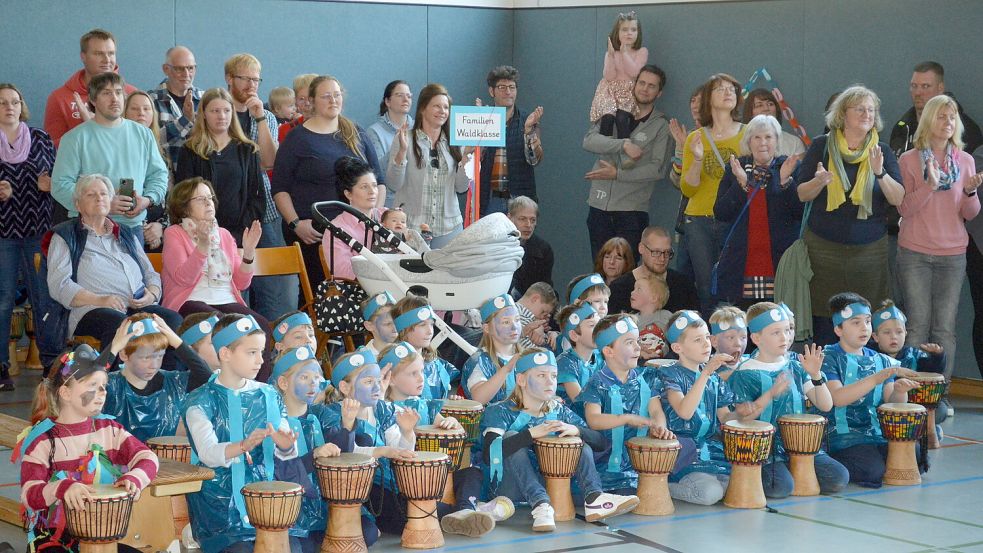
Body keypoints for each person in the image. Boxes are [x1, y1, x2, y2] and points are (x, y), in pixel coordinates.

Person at [17, 344, 159, 553]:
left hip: (102, 537)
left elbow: (147, 457)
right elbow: (29, 495)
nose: (102, 393)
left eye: (104, 385)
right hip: (54, 541)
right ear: (65, 392)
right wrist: (61, 488)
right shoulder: (43, 440)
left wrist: (135, 478)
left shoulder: (109, 429)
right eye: (93, 385)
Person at [483, 347, 640, 532]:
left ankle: (594, 497)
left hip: (552, 487)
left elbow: (601, 443)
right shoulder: (499, 410)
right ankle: (541, 504)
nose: (550, 381)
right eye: (541, 375)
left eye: (554, 375)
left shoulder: (558, 410)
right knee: (511, 438)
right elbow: (489, 455)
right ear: (521, 380)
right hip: (509, 490)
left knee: (577, 440)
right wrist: (530, 434)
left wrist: (577, 430)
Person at [795, 86, 906, 345]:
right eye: (860, 109)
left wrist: (880, 173)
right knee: (824, 316)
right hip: (823, 250)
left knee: (867, 316)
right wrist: (820, 182)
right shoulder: (821, 146)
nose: (867, 114)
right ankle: (823, 378)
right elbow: (801, 193)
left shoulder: (883, 151)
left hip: (869, 252)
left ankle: (863, 377)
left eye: (871, 109)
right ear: (843, 115)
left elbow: (898, 198)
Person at [183, 314, 299, 553]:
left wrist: (286, 446)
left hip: (267, 504)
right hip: (219, 509)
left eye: (261, 352)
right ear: (225, 354)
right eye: (251, 353)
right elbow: (207, 453)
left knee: (295, 549)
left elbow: (285, 451)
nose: (260, 360)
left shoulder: (269, 394)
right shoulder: (200, 401)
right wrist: (243, 445)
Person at [45, 174, 182, 368]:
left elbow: (150, 273)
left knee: (172, 320)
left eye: (103, 194)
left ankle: (163, 386)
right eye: (91, 195)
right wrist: (100, 299)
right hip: (92, 310)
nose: (99, 198)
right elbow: (59, 285)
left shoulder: (125, 232)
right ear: (77, 204)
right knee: (120, 325)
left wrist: (151, 295)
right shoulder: (65, 236)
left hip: (137, 306)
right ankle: (114, 389)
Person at [381, 342, 512, 535]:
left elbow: (455, 429)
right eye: (412, 374)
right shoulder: (384, 409)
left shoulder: (423, 405)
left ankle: (465, 510)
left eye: (422, 371)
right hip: (404, 485)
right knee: (412, 513)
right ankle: (470, 511)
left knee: (472, 473)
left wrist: (451, 421)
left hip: (436, 480)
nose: (421, 378)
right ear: (390, 379)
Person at [897, 94, 981, 385]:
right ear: (928, 120)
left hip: (953, 255)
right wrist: (929, 186)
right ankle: (909, 390)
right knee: (917, 326)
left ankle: (938, 393)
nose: (948, 122)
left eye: (952, 117)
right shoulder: (909, 160)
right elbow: (905, 208)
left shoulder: (966, 160)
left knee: (945, 329)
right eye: (942, 116)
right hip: (914, 254)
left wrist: (970, 193)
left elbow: (969, 213)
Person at [727, 303, 849, 497]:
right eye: (776, 333)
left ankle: (796, 471)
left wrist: (816, 375)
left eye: (787, 330)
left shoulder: (796, 366)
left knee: (839, 478)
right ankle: (786, 474)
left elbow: (825, 404)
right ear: (756, 338)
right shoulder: (745, 372)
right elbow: (743, 421)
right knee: (780, 488)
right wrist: (771, 394)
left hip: (801, 446)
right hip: (766, 451)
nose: (785, 337)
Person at [273, 74, 384, 283]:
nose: (333, 100)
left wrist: (372, 221)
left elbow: (379, 181)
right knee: (321, 295)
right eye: (326, 96)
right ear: (312, 101)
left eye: (337, 95)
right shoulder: (297, 139)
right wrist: (296, 223)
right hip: (314, 233)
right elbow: (279, 188)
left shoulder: (357, 132)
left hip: (359, 233)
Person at [50, 72, 169, 244]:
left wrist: (148, 200)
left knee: (134, 272)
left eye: (118, 92)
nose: (114, 99)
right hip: (90, 228)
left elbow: (158, 175)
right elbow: (60, 186)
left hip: (132, 228)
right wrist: (103, 205)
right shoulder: (74, 138)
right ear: (93, 100)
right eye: (106, 93)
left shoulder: (144, 134)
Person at [820, 293, 921, 487]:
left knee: (913, 453)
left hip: (875, 431)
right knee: (873, 470)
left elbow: (891, 405)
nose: (864, 328)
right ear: (838, 329)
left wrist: (900, 391)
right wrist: (877, 377)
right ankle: (828, 461)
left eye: (867, 321)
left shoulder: (881, 359)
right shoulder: (829, 357)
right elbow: (838, 399)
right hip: (841, 436)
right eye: (855, 323)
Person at [580, 315, 681, 495]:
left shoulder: (646, 378)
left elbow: (656, 410)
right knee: (632, 492)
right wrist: (626, 418)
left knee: (684, 446)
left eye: (637, 341)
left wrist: (659, 427)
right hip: (606, 462)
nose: (637, 347)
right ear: (608, 351)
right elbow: (593, 419)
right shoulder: (596, 383)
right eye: (629, 343)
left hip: (639, 462)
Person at [714, 114, 804, 307]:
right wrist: (741, 184)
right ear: (749, 141)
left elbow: (800, 213)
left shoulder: (788, 166)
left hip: (779, 260)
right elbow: (721, 213)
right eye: (757, 137)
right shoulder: (736, 167)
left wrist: (784, 182)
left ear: (777, 141)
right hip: (741, 261)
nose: (763, 143)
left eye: (768, 137)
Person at [0, 83, 56, 389]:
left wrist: (51, 184)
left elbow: (60, 178)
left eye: (14, 101)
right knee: (3, 299)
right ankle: (1, 366)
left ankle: (51, 363)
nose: (9, 107)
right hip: (3, 235)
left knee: (43, 298)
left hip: (38, 229)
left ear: (22, 106)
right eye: (2, 102)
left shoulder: (41, 138)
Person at [583, 64, 672, 258]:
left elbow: (657, 170)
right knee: (600, 270)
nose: (645, 89)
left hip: (631, 212)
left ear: (659, 93)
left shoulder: (661, 125)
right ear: (634, 84)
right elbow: (589, 141)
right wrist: (623, 145)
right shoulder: (613, 111)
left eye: (652, 86)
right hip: (599, 206)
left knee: (626, 275)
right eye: (641, 83)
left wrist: (618, 174)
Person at [270, 346, 352, 552]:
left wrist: (348, 426)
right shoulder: (274, 422)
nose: (313, 383)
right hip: (291, 511)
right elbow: (278, 473)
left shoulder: (320, 414)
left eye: (316, 377)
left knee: (365, 533)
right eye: (304, 377)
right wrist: (313, 456)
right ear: (283, 383)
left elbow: (342, 454)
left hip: (323, 506)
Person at [161, 177, 267, 325]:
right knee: (221, 323)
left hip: (226, 299)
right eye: (200, 199)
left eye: (210, 197)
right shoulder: (174, 233)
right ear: (184, 207)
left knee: (261, 325)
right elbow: (184, 279)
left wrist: (248, 253)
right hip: (190, 300)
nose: (208, 202)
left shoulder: (223, 234)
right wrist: (202, 247)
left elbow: (241, 284)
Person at [680, 73, 746, 312]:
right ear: (708, 98)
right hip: (699, 219)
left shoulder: (748, 133)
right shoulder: (694, 138)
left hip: (735, 219)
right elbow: (688, 188)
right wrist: (697, 159)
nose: (728, 92)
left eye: (732, 89)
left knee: (735, 284)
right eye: (720, 89)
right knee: (706, 287)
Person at [660, 310, 739, 505]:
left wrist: (747, 412)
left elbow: (725, 417)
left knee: (737, 488)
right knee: (710, 494)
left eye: (706, 337)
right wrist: (706, 374)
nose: (706, 344)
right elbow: (684, 412)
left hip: (711, 450)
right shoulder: (668, 374)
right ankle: (659, 487)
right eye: (697, 340)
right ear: (678, 347)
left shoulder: (712, 376)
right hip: (683, 453)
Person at [175, 88, 267, 243]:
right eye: (215, 111)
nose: (222, 116)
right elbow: (183, 198)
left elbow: (257, 198)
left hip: (240, 236)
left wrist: (238, 235)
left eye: (226, 110)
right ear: (203, 114)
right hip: (201, 236)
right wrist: (205, 232)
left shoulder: (247, 150)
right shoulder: (190, 150)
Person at [102, 314, 213, 442]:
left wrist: (177, 342)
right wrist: (114, 348)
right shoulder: (110, 385)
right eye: (146, 358)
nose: (154, 366)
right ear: (124, 354)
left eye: (159, 356)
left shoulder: (174, 383)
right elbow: (88, 384)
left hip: (168, 461)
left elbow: (207, 377)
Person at [387, 83, 470, 249]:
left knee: (446, 275)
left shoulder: (457, 143)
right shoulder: (404, 139)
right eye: (437, 106)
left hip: (449, 229)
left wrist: (465, 161)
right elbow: (393, 184)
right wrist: (402, 152)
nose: (442, 111)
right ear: (422, 109)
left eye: (446, 107)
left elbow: (461, 188)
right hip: (411, 229)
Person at [44, 29, 137, 147]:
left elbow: (142, 142)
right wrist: (89, 128)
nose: (107, 60)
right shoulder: (59, 98)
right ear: (83, 56)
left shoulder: (132, 94)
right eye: (99, 54)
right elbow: (51, 149)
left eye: (111, 53)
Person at [479, 66, 544, 215]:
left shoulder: (527, 120)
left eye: (512, 87)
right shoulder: (482, 119)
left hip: (519, 199)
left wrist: (529, 132)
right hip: (489, 198)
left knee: (519, 239)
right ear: (491, 91)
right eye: (502, 87)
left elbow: (535, 161)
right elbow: (471, 161)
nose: (508, 92)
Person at [889, 61, 983, 157]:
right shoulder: (902, 127)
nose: (918, 92)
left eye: (925, 86)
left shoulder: (966, 129)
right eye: (914, 86)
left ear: (940, 88)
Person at [608, 226, 699, 315]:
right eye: (656, 252)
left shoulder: (683, 285)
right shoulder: (619, 288)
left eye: (667, 252)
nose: (662, 258)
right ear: (641, 248)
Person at [320, 156, 382, 280]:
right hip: (356, 292)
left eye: (374, 185)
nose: (372, 191)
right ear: (348, 194)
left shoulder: (387, 216)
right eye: (364, 187)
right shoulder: (336, 229)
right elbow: (343, 275)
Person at [123, 90, 170, 252]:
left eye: (146, 109)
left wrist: (161, 227)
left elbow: (173, 199)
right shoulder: (119, 150)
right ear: (125, 113)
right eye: (134, 109)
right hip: (128, 227)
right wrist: (143, 227)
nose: (141, 113)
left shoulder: (165, 151)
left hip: (159, 228)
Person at [390, 294, 459, 400]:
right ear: (404, 329)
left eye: (431, 324)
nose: (430, 331)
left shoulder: (434, 362)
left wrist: (449, 403)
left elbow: (438, 399)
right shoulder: (395, 366)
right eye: (422, 325)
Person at [148, 46, 203, 170]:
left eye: (190, 68)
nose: (186, 74)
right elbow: (151, 141)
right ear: (166, 69)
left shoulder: (205, 99)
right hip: (167, 181)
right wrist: (185, 121)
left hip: (201, 180)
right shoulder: (151, 101)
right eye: (179, 69)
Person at [589, 11, 649, 123]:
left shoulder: (642, 52)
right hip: (610, 92)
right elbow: (609, 76)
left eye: (633, 30)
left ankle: (625, 141)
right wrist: (611, 56)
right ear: (618, 32)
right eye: (624, 30)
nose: (629, 33)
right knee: (607, 118)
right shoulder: (611, 53)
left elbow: (634, 73)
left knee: (622, 118)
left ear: (638, 32)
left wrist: (625, 53)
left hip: (628, 93)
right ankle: (605, 140)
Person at [462, 294, 522, 404]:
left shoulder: (527, 356)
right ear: (487, 328)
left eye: (517, 320)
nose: (514, 327)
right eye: (506, 322)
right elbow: (479, 398)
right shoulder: (480, 361)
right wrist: (507, 369)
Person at [367, 80, 414, 206]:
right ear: (387, 101)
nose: (406, 99)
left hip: (415, 202)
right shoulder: (374, 132)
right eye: (400, 95)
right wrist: (397, 148)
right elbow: (376, 172)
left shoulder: (418, 129)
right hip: (389, 205)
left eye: (409, 96)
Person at [555, 303, 601, 414]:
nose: (600, 330)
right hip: (573, 422)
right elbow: (581, 401)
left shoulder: (600, 357)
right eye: (592, 326)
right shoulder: (565, 363)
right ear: (574, 335)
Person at [508, 195, 554, 296]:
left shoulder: (543, 249)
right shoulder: (498, 246)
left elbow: (545, 287)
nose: (528, 225)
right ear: (510, 218)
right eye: (522, 219)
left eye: (532, 220)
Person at [742, 89, 806, 157]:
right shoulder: (743, 140)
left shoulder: (794, 142)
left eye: (770, 104)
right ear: (750, 112)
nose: (766, 108)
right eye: (759, 105)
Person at [631, 275, 671, 362]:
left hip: (662, 361)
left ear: (653, 298)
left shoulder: (665, 316)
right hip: (638, 361)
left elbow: (680, 337)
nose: (632, 292)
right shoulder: (631, 320)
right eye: (634, 289)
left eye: (639, 289)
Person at [707, 305, 748, 380]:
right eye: (730, 337)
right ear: (714, 341)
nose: (738, 343)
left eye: (743, 337)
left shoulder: (751, 362)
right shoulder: (706, 369)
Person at [516, 282, 558, 350]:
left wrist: (551, 334)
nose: (542, 318)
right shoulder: (519, 316)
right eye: (543, 312)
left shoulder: (520, 313)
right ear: (535, 299)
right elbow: (526, 352)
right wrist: (543, 343)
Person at [277, 74, 318, 143]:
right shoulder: (285, 130)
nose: (307, 103)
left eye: (311, 98)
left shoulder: (335, 127)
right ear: (295, 101)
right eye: (302, 99)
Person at [361, 291, 397, 356]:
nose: (395, 328)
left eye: (397, 321)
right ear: (369, 326)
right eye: (387, 324)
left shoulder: (407, 353)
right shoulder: (363, 361)